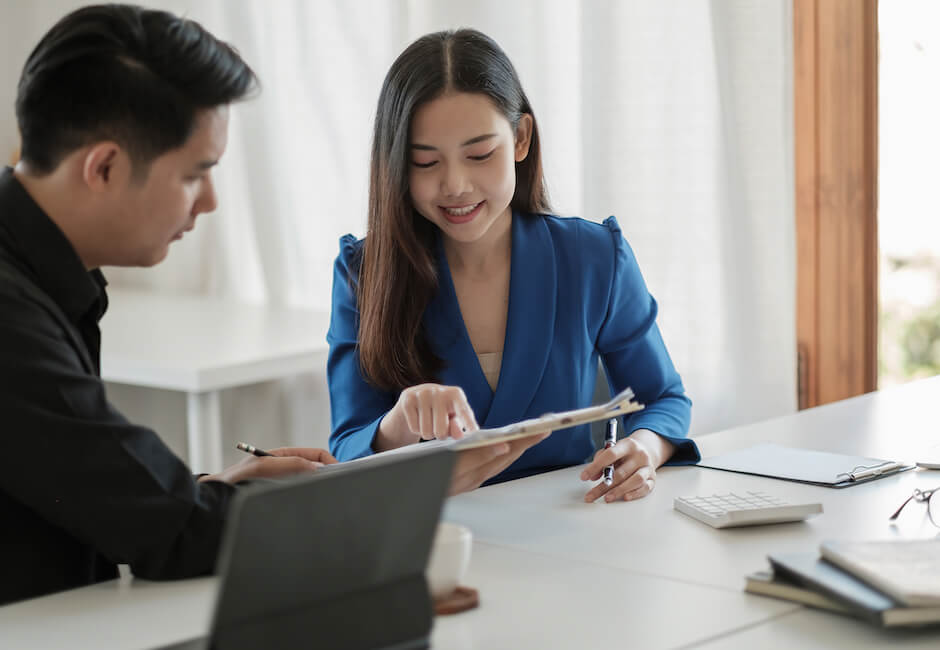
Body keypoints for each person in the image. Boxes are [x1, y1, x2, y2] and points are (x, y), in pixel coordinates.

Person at [0, 5, 512, 607]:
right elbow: (167, 535)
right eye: (197, 174)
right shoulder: (13, 316)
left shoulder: (39, 276)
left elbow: (85, 487)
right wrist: (384, 491)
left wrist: (211, 490)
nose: (211, 202)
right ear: (105, 167)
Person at [328, 28, 701, 502]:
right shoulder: (363, 273)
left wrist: (645, 449)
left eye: (480, 154)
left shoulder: (593, 257)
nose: (456, 185)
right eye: (425, 163)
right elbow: (345, 449)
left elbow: (662, 399)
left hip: (572, 535)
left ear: (521, 138)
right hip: (437, 542)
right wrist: (396, 427)